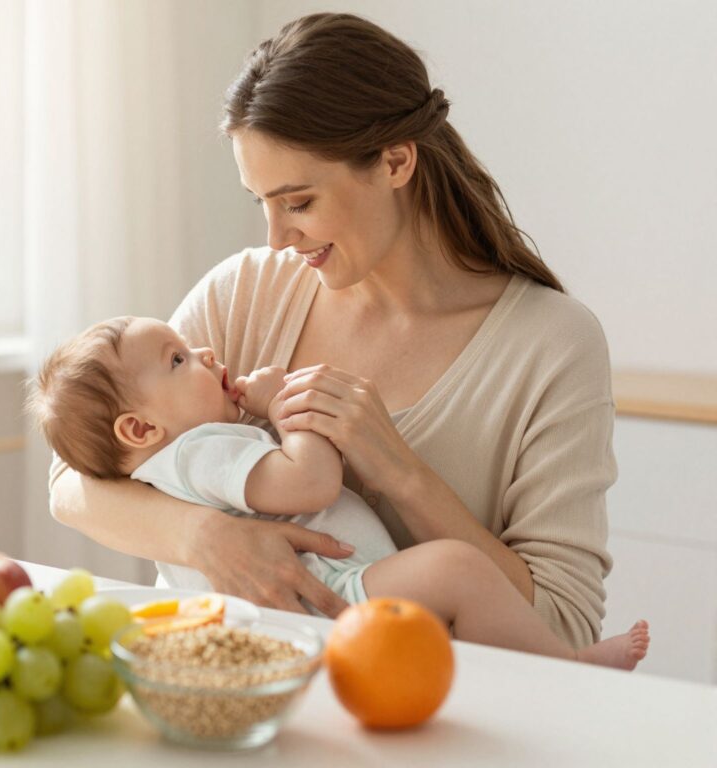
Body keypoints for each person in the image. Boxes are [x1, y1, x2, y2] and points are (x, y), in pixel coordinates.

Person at [48, 12, 622, 648]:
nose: (275, 238)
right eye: (260, 203)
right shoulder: (246, 291)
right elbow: (73, 484)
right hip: (234, 689)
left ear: (396, 161)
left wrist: (402, 474)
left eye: (299, 203)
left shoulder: (552, 346)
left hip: (421, 716)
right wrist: (209, 537)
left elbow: (565, 631)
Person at [30, 316, 649, 669]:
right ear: (139, 429)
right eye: (177, 360)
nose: (204, 351)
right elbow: (311, 481)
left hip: (314, 608)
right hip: (331, 595)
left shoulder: (176, 457)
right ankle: (567, 670)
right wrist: (286, 411)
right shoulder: (199, 450)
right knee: (458, 570)